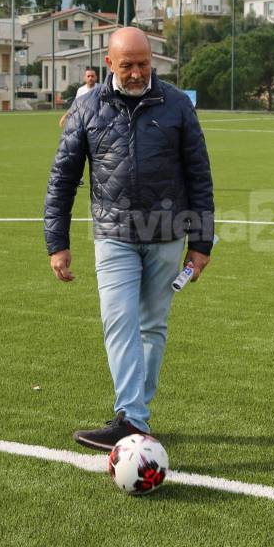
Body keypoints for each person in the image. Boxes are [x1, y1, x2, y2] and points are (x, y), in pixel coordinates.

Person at [44, 27, 215, 451]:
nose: (137, 73)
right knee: (119, 320)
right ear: (109, 64)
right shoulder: (88, 109)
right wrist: (57, 243)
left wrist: (202, 243)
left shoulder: (177, 105)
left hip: (167, 236)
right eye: (128, 66)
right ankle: (132, 418)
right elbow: (61, 179)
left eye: (143, 64)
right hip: (113, 235)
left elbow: (199, 176)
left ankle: (135, 415)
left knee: (152, 327)